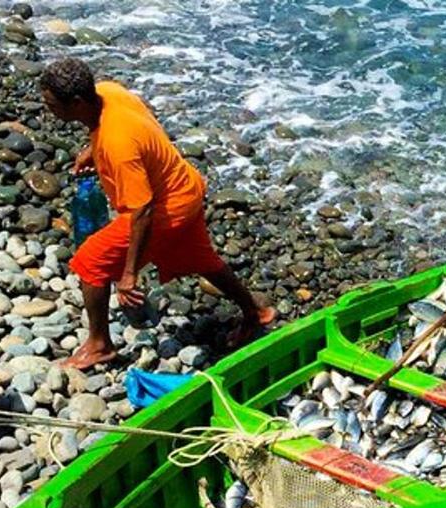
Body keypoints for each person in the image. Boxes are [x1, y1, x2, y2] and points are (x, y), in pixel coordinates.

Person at [39, 58, 275, 369]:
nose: (48, 109)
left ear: (77, 102)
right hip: (185, 185)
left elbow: (142, 211)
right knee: (201, 259)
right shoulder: (109, 93)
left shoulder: (117, 143)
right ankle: (255, 312)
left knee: (91, 261)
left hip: (167, 207)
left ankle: (99, 344)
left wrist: (129, 274)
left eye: (52, 103)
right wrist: (93, 149)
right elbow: (143, 123)